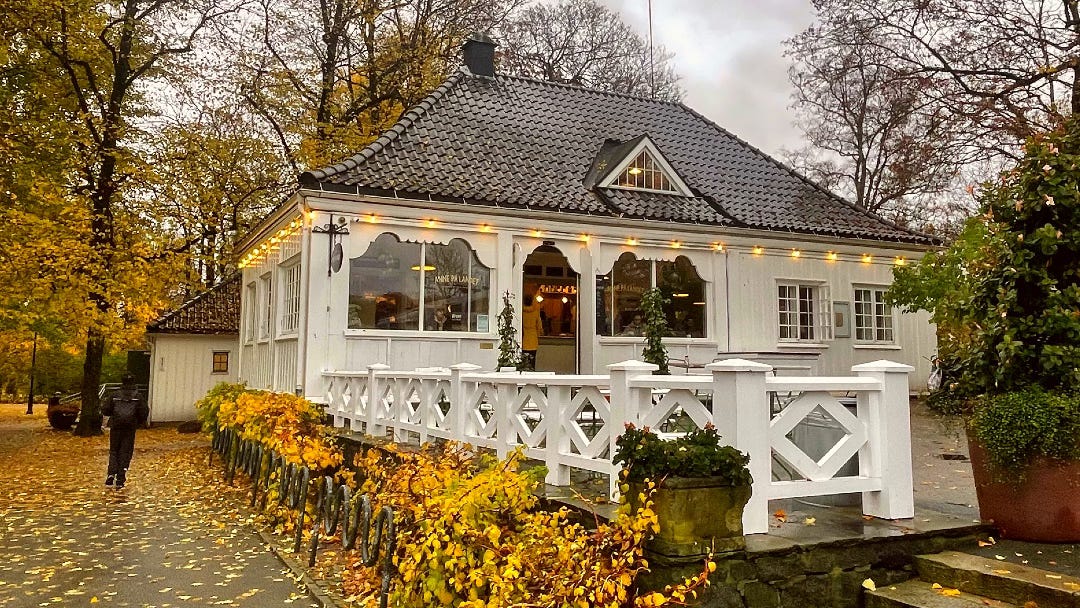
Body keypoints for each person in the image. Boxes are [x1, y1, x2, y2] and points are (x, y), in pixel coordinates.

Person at [101, 374, 148, 488]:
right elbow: (144, 412)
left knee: (114, 450)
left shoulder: (115, 395)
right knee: (126, 451)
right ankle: (121, 477)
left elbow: (106, 410)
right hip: (130, 427)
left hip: (116, 425)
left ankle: (111, 473)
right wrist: (139, 421)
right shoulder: (138, 396)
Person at [520, 294, 543, 370]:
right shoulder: (536, 312)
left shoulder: (521, 312)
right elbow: (539, 327)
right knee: (532, 361)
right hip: (533, 339)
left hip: (523, 339)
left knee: (523, 361)